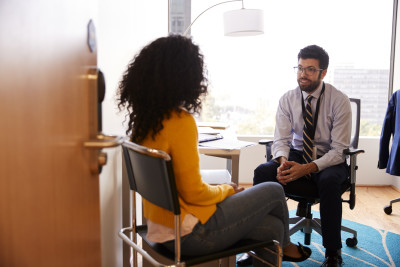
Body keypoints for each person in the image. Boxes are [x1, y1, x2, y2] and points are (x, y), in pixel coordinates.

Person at [117, 34, 311, 266]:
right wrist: (226, 190)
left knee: (273, 227)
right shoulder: (180, 122)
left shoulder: (146, 122)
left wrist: (221, 191)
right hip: (190, 234)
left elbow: (184, 188)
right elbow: (194, 193)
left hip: (161, 228)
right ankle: (287, 247)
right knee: (273, 190)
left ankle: (279, 246)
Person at [240, 45, 351, 267]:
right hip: (297, 154)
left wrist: (307, 168)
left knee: (329, 182)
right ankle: (258, 244)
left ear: (323, 72)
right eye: (299, 68)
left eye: (310, 69)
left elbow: (339, 150)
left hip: (328, 158)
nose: (303, 74)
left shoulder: (339, 100)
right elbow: (280, 140)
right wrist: (283, 162)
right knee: (263, 172)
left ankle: (332, 252)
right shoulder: (288, 99)